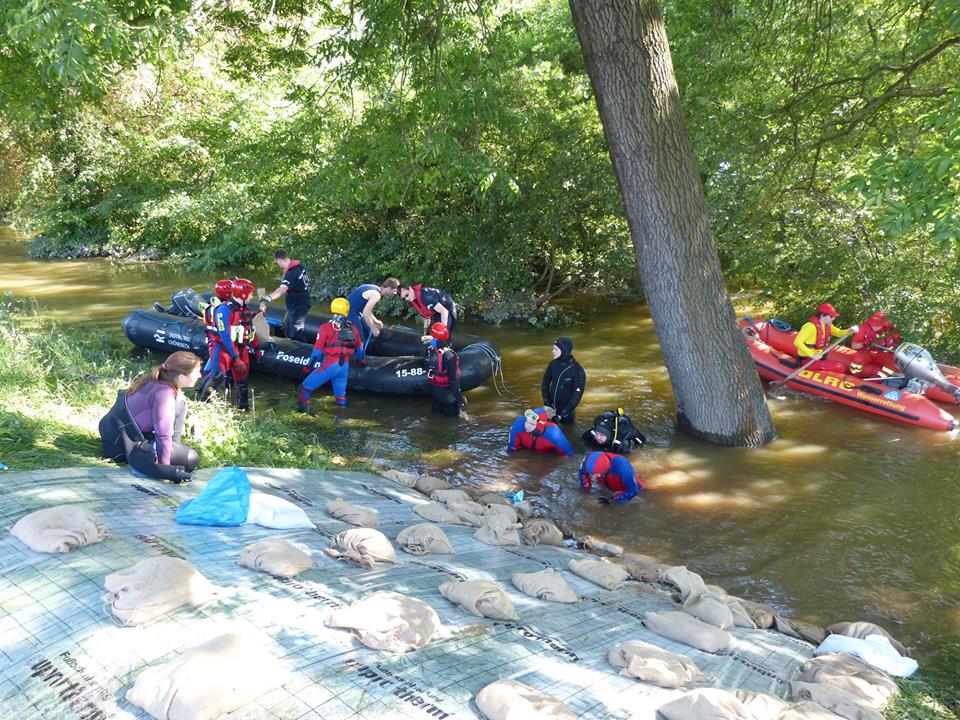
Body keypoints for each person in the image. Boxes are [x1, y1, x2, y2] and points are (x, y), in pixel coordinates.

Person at [98, 351, 202, 483]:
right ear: (181, 377)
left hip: (120, 433)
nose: (199, 375)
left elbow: (171, 435)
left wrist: (173, 451)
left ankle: (166, 456)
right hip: (121, 443)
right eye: (196, 372)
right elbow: (163, 436)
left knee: (183, 453)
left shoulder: (163, 381)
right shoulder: (164, 393)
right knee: (190, 458)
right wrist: (165, 470)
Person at [297, 298, 362, 412]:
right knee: (341, 397)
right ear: (346, 311)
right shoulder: (353, 328)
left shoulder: (325, 328)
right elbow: (360, 349)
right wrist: (361, 361)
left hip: (330, 366)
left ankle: (303, 416)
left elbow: (316, 354)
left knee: (304, 389)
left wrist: (307, 368)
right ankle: (342, 421)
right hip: (344, 368)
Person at [198, 280, 244, 401]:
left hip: (225, 344)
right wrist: (235, 357)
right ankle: (202, 400)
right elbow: (224, 335)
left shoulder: (227, 307)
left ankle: (227, 398)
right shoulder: (221, 309)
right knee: (217, 375)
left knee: (227, 375)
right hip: (218, 344)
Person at [793, 303, 858, 374]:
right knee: (840, 368)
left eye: (833, 316)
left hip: (818, 358)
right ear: (822, 315)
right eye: (831, 316)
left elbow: (839, 333)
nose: (833, 318)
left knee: (840, 367)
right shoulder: (809, 326)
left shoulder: (828, 326)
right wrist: (811, 354)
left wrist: (849, 330)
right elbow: (797, 342)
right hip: (807, 360)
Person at [260, 249, 310, 341]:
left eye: (276, 263)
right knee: (288, 328)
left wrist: (269, 297)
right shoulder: (300, 267)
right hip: (298, 303)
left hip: (298, 306)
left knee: (296, 332)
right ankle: (288, 345)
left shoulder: (291, 273)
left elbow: (282, 289)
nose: (278, 265)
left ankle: (300, 352)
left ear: (279, 260)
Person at [347, 278, 400, 361]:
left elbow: (367, 308)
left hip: (355, 310)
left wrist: (375, 321)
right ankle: (355, 360)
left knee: (367, 331)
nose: (395, 293)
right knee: (359, 337)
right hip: (350, 312)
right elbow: (365, 313)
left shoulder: (375, 288)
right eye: (394, 290)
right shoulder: (376, 295)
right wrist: (373, 327)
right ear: (389, 288)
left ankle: (361, 355)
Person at [230, 278, 260, 410]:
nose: (252, 296)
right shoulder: (229, 312)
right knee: (226, 379)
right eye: (250, 294)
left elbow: (250, 330)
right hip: (232, 351)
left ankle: (241, 407)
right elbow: (226, 338)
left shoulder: (245, 311)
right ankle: (239, 407)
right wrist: (235, 358)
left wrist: (257, 348)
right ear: (243, 295)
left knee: (243, 381)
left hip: (243, 350)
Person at [540, 337, 586, 424]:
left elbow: (576, 396)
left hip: (566, 412)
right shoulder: (553, 364)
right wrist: (547, 404)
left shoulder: (577, 370)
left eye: (556, 349)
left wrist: (562, 415)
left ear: (564, 351)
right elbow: (545, 383)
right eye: (553, 348)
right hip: (551, 408)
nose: (552, 351)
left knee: (567, 432)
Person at [424, 322, 466, 418]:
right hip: (448, 396)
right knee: (452, 424)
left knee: (435, 418)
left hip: (434, 393)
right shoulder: (450, 356)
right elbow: (453, 381)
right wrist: (460, 399)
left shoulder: (428, 350)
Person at [579, 451, 646, 504]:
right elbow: (582, 473)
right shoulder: (590, 460)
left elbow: (632, 492)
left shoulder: (623, 468)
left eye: (595, 474)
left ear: (604, 469)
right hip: (608, 484)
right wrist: (586, 491)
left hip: (633, 489)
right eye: (591, 474)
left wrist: (611, 500)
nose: (593, 477)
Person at [849, 311, 899, 379]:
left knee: (893, 366)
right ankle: (854, 377)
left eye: (877, 325)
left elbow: (896, 344)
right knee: (857, 359)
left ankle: (875, 380)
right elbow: (854, 346)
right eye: (872, 323)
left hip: (884, 354)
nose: (874, 326)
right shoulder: (864, 328)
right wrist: (864, 343)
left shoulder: (890, 329)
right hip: (869, 352)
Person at [507, 407, 574, 456]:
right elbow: (512, 451)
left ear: (541, 425)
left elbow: (569, 456)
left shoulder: (553, 433)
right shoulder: (519, 424)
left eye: (531, 423)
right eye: (527, 420)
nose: (526, 425)